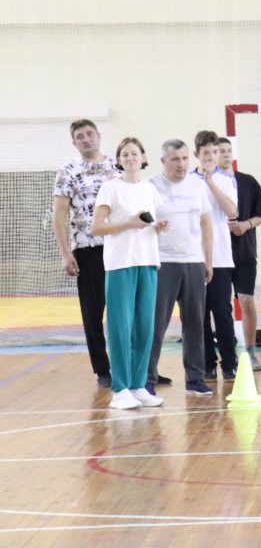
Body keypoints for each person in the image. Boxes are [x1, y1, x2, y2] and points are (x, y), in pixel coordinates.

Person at [91, 137, 169, 409]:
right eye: (125, 154)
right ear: (119, 160)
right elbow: (97, 228)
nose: (130, 158)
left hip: (148, 261)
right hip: (120, 263)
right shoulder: (110, 188)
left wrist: (157, 226)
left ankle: (138, 386)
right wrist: (129, 224)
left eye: (135, 153)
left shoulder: (150, 189)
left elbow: (146, 224)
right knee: (120, 327)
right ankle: (120, 389)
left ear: (143, 158)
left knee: (145, 327)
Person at [52, 119, 119, 388]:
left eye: (90, 134)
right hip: (87, 250)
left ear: (99, 135)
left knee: (126, 309)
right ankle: (102, 369)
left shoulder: (117, 166)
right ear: (74, 142)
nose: (86, 139)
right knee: (93, 311)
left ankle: (136, 366)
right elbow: (59, 213)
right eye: (80, 136)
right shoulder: (68, 171)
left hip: (119, 248)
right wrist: (65, 252)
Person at [146, 140, 214, 396]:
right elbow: (141, 224)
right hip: (162, 263)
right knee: (155, 325)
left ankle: (195, 379)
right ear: (163, 161)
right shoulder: (150, 186)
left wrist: (208, 260)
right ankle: (147, 380)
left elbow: (206, 223)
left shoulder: (198, 185)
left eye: (185, 158)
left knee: (195, 324)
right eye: (175, 159)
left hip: (193, 262)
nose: (181, 164)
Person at [191, 131, 238, 382]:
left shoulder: (226, 180)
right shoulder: (187, 180)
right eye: (206, 152)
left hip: (220, 257)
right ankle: (206, 364)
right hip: (193, 257)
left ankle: (230, 364)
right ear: (197, 154)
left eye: (215, 152)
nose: (211, 157)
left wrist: (210, 181)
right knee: (199, 314)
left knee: (222, 311)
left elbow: (232, 211)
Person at [218, 137, 261, 371]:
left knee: (246, 300)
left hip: (245, 252)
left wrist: (246, 225)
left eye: (229, 150)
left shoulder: (248, 182)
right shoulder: (209, 184)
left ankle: (250, 352)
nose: (226, 155)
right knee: (221, 306)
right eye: (221, 151)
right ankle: (227, 354)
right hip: (219, 255)